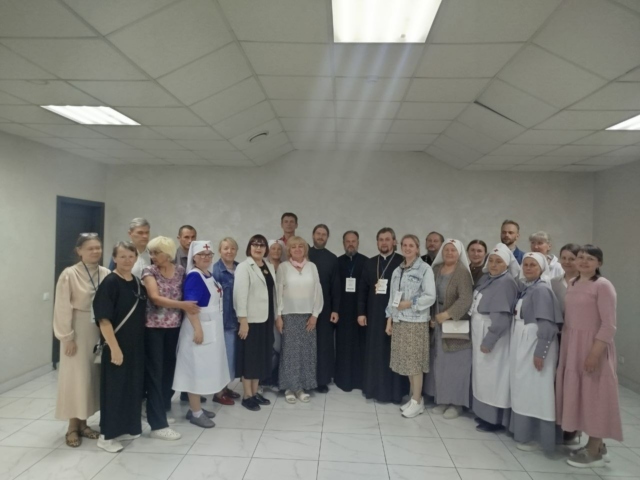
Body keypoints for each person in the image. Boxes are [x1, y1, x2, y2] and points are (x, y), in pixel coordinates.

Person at [556, 245, 622, 468]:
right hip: (572, 346)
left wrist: (594, 354)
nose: (584, 261)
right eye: (581, 257)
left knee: (596, 397)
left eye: (590, 258)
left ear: (599, 263)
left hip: (593, 347)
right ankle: (596, 445)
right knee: (581, 395)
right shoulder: (574, 283)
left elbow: (609, 325)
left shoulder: (603, 286)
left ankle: (594, 451)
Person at [53, 233, 110, 448]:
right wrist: (67, 337)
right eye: (90, 248)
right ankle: (72, 427)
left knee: (90, 378)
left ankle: (84, 424)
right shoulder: (69, 274)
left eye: (98, 247)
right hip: (77, 330)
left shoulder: (105, 273)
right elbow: (62, 307)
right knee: (75, 378)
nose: (95, 251)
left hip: (99, 329)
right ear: (79, 251)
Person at [142, 236, 200, 441]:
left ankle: (160, 410)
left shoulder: (181, 271)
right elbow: (155, 298)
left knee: (170, 371)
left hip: (175, 328)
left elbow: (187, 294)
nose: (152, 256)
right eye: (150, 252)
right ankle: (157, 422)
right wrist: (182, 305)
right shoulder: (149, 271)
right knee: (155, 374)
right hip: (153, 328)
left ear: (167, 253)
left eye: (156, 252)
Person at [93, 242, 147, 452]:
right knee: (115, 390)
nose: (127, 260)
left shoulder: (137, 282)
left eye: (131, 256)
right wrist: (114, 348)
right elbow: (103, 319)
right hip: (116, 345)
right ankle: (106, 436)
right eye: (122, 256)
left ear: (136, 258)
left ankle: (126, 428)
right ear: (114, 258)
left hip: (136, 346)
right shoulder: (110, 283)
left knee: (131, 388)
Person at [509, 252, 562, 453]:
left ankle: (538, 437)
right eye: (526, 264)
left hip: (534, 344)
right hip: (524, 343)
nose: (528, 268)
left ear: (542, 268)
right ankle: (524, 433)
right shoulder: (528, 288)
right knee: (524, 389)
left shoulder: (541, 290)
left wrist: (541, 352)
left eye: (533, 265)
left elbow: (547, 325)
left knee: (538, 391)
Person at [173, 241, 230, 428]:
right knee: (195, 371)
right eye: (201, 255)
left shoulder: (208, 275)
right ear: (194, 258)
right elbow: (191, 306)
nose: (206, 257)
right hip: (199, 329)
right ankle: (196, 413)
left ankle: (194, 407)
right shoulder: (194, 276)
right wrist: (198, 329)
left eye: (209, 254)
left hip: (211, 328)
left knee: (204, 370)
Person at [386, 234, 436, 418]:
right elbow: (392, 297)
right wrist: (390, 319)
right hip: (400, 321)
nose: (407, 248)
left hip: (415, 322)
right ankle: (416, 398)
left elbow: (430, 296)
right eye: (404, 245)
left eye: (411, 245)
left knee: (414, 363)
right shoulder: (397, 270)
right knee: (407, 363)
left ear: (417, 248)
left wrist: (409, 304)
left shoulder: (424, 269)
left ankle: (416, 401)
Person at [471, 243, 519, 433]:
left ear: (506, 264)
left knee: (494, 376)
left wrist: (489, 340)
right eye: (491, 260)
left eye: (498, 261)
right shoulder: (487, 278)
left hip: (493, 336)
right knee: (483, 375)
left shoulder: (506, 282)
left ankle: (494, 419)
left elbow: (501, 318)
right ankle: (484, 414)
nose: (493, 264)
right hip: (480, 330)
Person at [357, 228, 408, 404]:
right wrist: (361, 312)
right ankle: (373, 389)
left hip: (396, 315)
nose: (384, 243)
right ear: (377, 242)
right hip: (373, 314)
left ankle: (394, 392)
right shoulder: (370, 263)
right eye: (381, 239)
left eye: (387, 239)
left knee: (393, 352)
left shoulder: (402, 262)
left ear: (394, 241)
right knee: (375, 352)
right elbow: (362, 289)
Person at [425, 239, 473, 420]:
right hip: (436, 321)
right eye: (447, 250)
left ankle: (456, 404)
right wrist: (431, 316)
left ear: (459, 253)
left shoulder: (462, 273)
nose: (449, 253)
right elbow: (429, 294)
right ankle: (443, 400)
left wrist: (447, 314)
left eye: (453, 250)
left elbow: (466, 299)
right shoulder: (436, 270)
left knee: (455, 366)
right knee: (440, 365)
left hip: (454, 324)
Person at [276, 236, 323, 404]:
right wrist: (278, 316)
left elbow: (318, 291)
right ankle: (289, 387)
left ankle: (301, 387)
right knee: (290, 354)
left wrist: (315, 314)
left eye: (300, 246)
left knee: (306, 353)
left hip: (308, 316)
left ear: (305, 249)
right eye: (293, 246)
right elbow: (278, 293)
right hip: (289, 315)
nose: (297, 249)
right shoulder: (283, 267)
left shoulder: (312, 267)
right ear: (289, 250)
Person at [233, 235, 277, 411]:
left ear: (266, 249)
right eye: (255, 244)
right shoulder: (244, 267)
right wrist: (243, 320)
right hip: (250, 320)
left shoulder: (268, 266)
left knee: (261, 357)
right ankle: (247, 395)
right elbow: (240, 296)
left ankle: (255, 392)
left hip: (265, 318)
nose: (258, 248)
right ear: (249, 247)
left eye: (261, 245)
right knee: (250, 358)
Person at [308, 224, 341, 393]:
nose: (320, 237)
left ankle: (322, 380)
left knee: (323, 345)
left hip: (326, 308)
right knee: (306, 343)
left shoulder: (332, 258)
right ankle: (305, 378)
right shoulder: (304, 254)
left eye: (324, 234)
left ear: (327, 237)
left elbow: (336, 286)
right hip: (305, 307)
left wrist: (335, 309)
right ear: (313, 235)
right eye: (318, 233)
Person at [335, 230, 368, 392]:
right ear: (343, 243)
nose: (350, 244)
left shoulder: (366, 262)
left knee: (360, 346)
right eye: (347, 241)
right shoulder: (337, 262)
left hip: (360, 311)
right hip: (342, 312)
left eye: (353, 241)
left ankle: (358, 380)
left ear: (358, 243)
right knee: (343, 345)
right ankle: (343, 380)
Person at [211, 237, 241, 406]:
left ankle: (225, 387)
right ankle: (218, 392)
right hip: (224, 322)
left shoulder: (240, 268)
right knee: (224, 358)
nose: (229, 251)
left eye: (232, 248)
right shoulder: (216, 271)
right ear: (220, 251)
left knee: (232, 357)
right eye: (225, 248)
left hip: (238, 321)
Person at [263, 239, 285, 389]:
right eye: (273, 248)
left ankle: (276, 377)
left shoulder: (285, 267)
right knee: (268, 345)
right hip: (265, 310)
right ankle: (265, 378)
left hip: (281, 310)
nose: (276, 251)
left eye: (279, 249)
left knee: (279, 345)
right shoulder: (263, 266)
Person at [550, 243, 581, 315]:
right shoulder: (553, 283)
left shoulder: (587, 283)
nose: (567, 262)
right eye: (563, 258)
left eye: (571, 259)